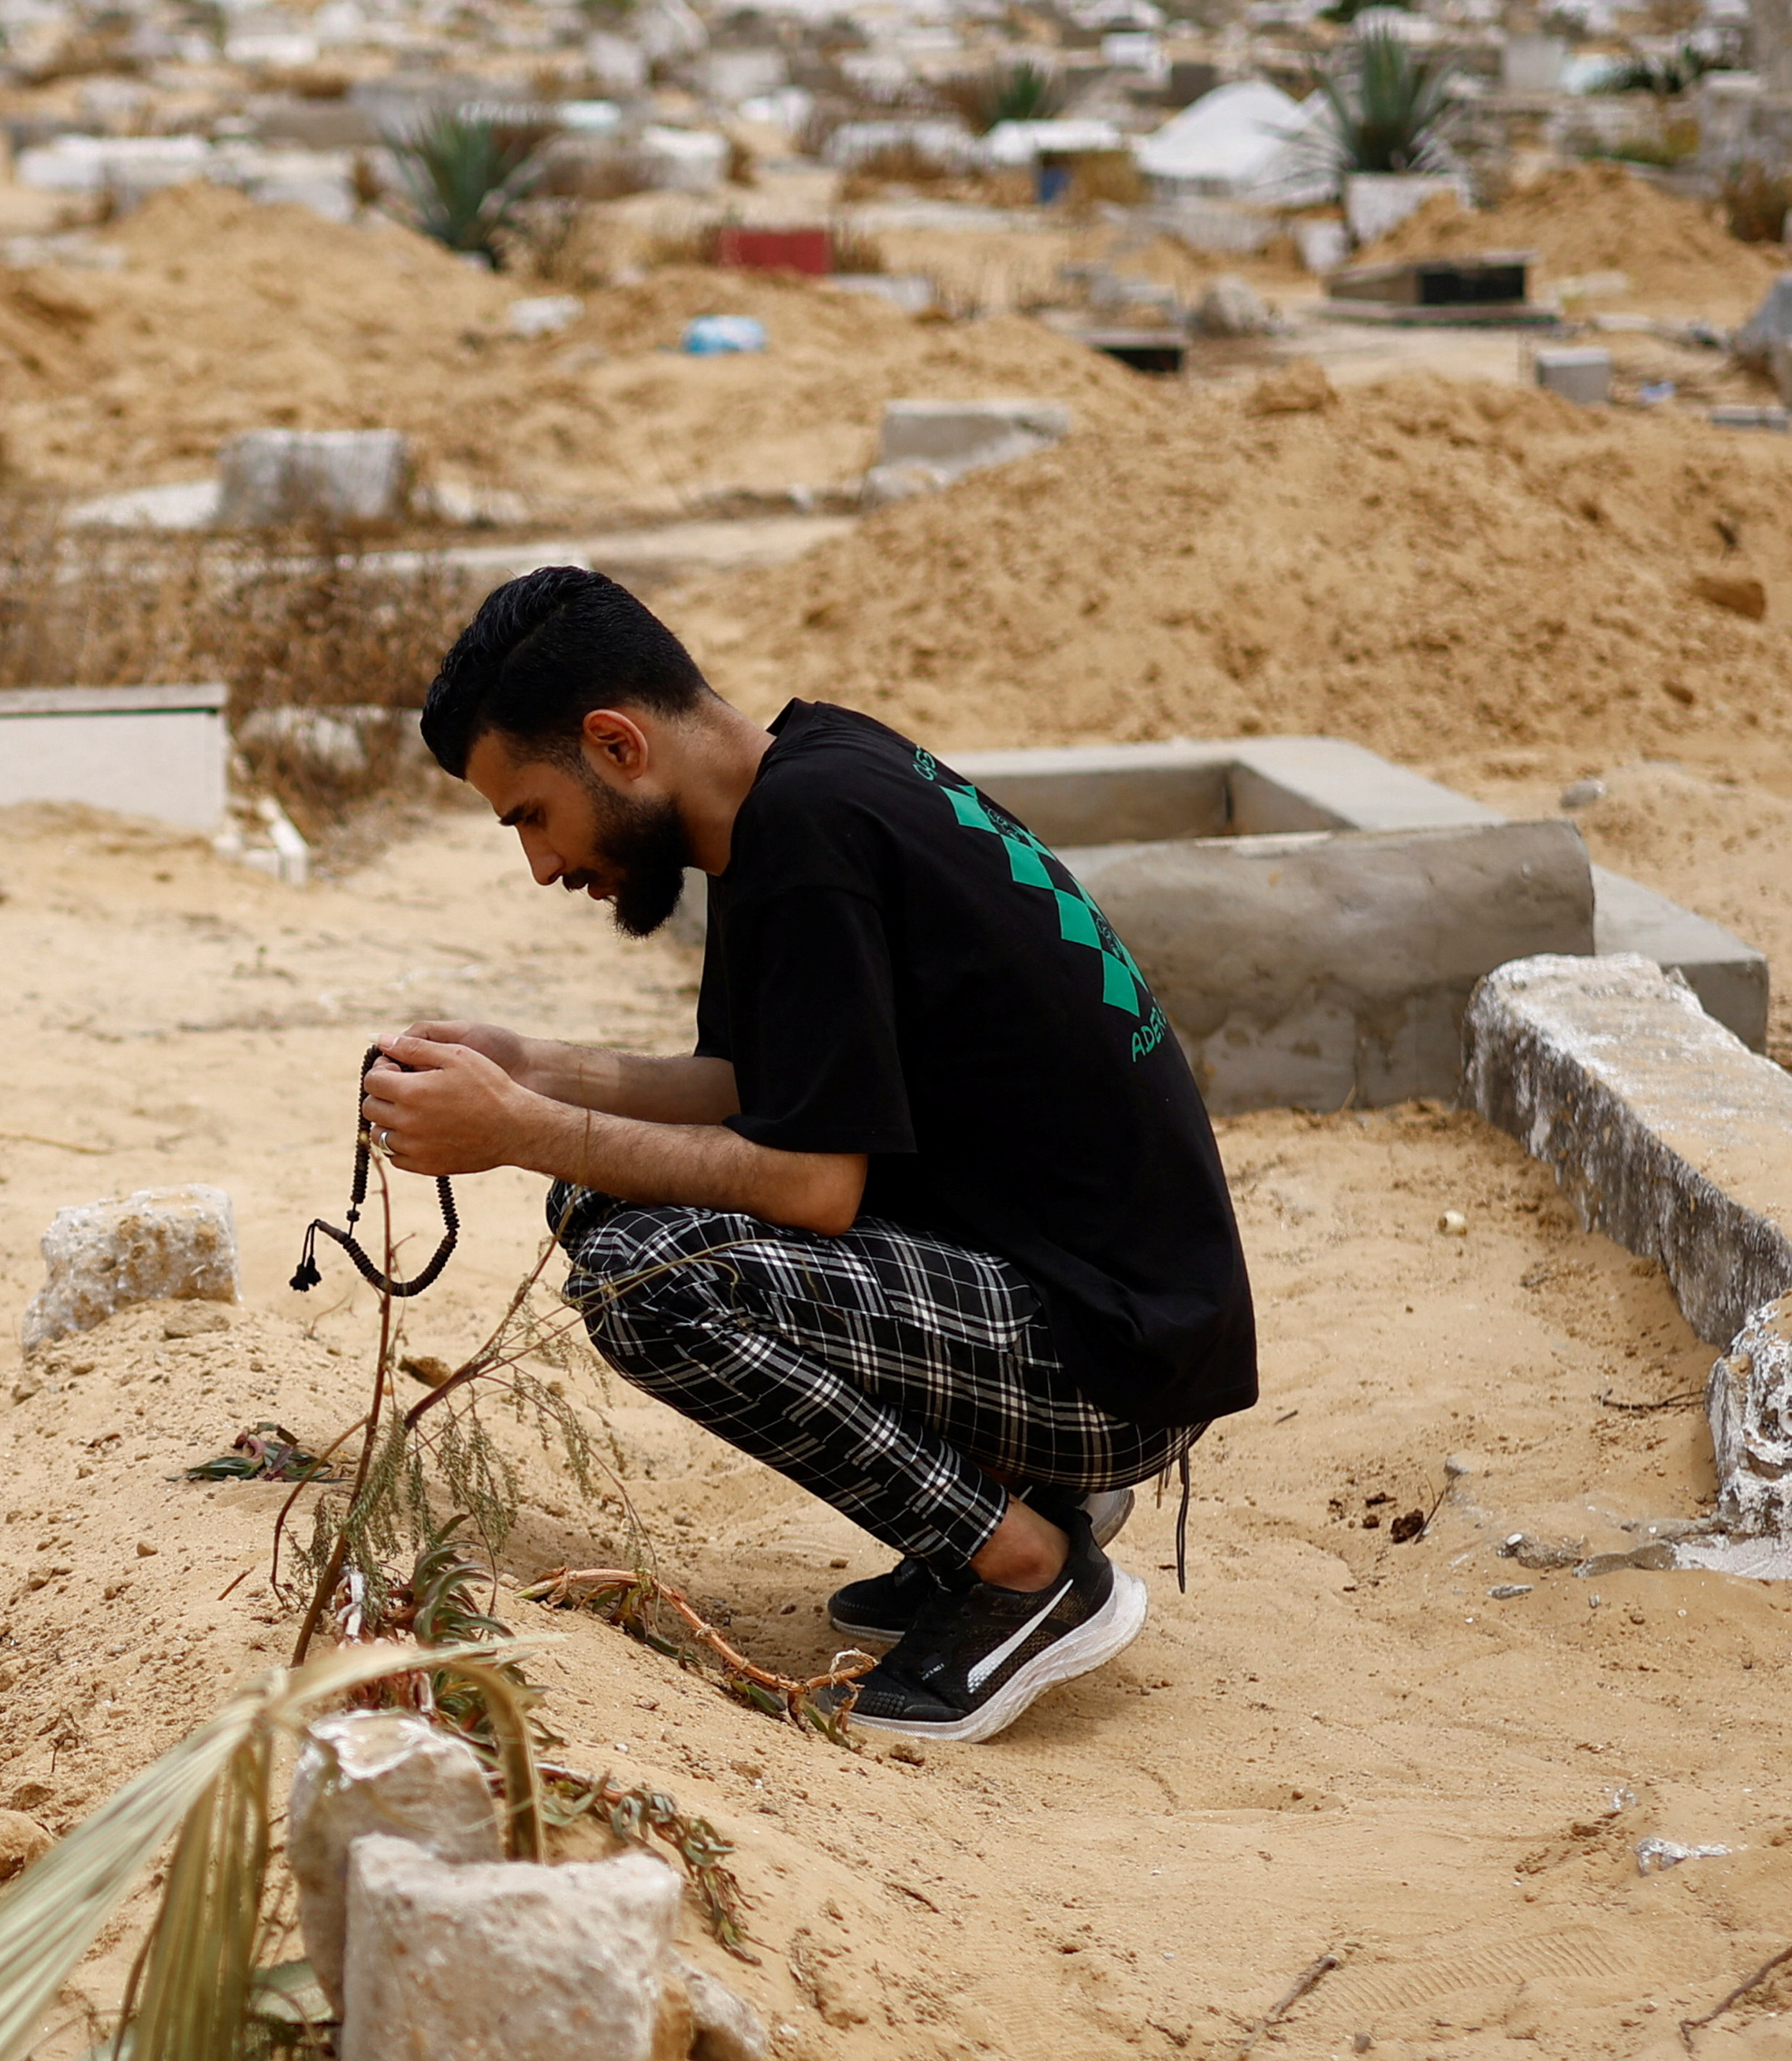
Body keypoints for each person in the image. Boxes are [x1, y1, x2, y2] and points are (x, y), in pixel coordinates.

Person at [358, 567, 1257, 1744]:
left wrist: (517, 1133)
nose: (541, 866)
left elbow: (810, 1184)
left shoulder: (806, 835)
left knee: (653, 1279)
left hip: (1111, 1357)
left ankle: (1029, 1566)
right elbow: (768, 1091)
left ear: (615, 743)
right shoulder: (799, 784)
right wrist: (531, 1064)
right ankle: (1002, 1508)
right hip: (1102, 1307)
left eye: (530, 813)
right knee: (606, 1194)